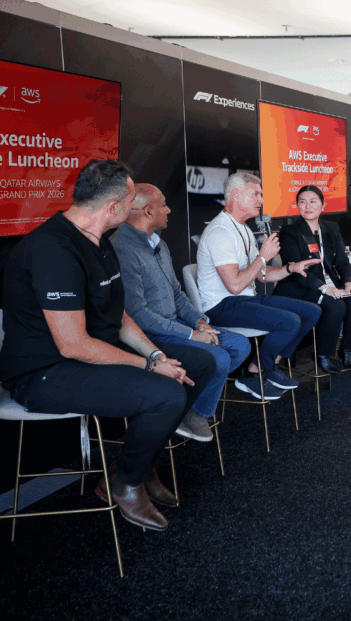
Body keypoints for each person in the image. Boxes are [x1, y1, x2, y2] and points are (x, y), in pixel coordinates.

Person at [0, 160, 217, 531]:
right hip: (43, 373)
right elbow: (72, 344)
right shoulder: (53, 250)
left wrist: (155, 354)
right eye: (131, 201)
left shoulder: (99, 241)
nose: (136, 209)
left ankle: (138, 464)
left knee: (198, 364)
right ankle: (126, 483)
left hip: (85, 355)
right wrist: (151, 367)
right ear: (113, 208)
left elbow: (119, 317)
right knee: (165, 394)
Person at [111, 183, 251, 442]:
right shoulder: (122, 248)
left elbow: (177, 292)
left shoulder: (159, 245)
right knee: (219, 359)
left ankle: (188, 407)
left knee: (240, 346)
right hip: (150, 336)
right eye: (164, 204)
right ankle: (184, 410)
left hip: (177, 326)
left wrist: (200, 322)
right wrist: (191, 335)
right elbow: (137, 315)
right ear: (148, 212)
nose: (170, 209)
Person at [195, 173, 322, 400]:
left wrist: (292, 268)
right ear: (236, 195)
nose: (261, 200)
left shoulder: (242, 228)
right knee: (289, 321)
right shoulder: (219, 232)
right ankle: (257, 373)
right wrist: (263, 257)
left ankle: (262, 368)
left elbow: (262, 275)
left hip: (245, 299)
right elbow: (234, 285)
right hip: (222, 306)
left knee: (311, 311)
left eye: (261, 195)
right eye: (256, 194)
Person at [276, 185, 351, 375]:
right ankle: (322, 355)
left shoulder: (331, 228)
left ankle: (346, 351)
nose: (307, 206)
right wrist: (324, 288)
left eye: (313, 201)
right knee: (336, 306)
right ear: (297, 206)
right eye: (302, 201)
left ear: (323, 205)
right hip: (300, 286)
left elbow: (342, 262)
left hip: (330, 284)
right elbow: (295, 270)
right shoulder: (289, 232)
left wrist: (349, 282)